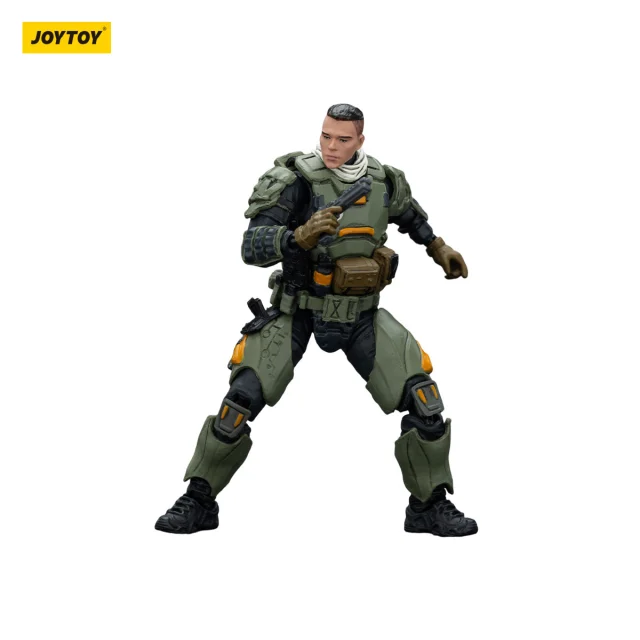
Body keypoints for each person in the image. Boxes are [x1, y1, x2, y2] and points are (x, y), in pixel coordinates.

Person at [155, 103, 477, 537]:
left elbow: (410, 216)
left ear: (360, 140)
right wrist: (295, 238)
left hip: (361, 313)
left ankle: (429, 505)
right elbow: (251, 246)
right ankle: (198, 499)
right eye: (326, 136)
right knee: (240, 400)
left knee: (424, 399)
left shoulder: (383, 180)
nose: (331, 146)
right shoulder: (294, 181)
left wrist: (438, 247)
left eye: (343, 139)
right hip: (299, 309)